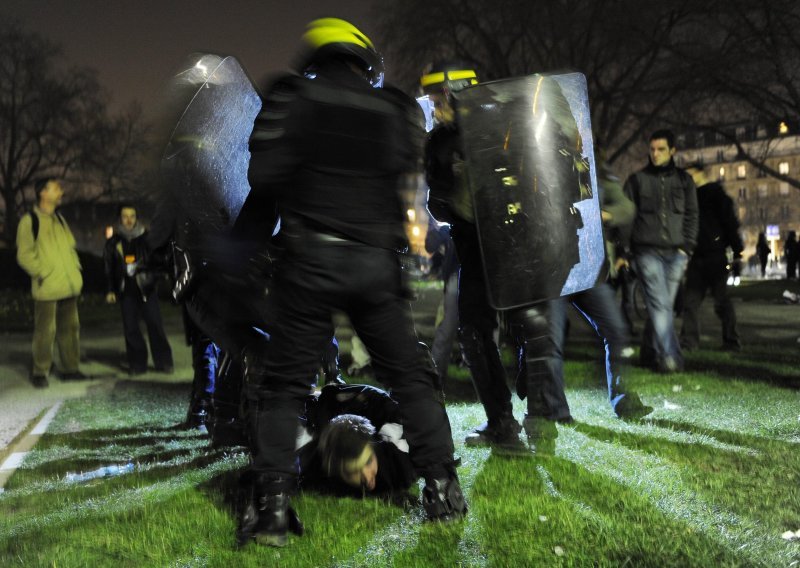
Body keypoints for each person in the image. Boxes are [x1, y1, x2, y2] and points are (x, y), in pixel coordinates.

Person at [235, 19, 466, 548]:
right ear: (364, 61)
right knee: (410, 377)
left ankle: (271, 510)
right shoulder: (397, 109)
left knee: (284, 386)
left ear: (315, 57)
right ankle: (443, 487)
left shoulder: (290, 98)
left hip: (308, 263)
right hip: (374, 266)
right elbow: (409, 195)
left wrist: (235, 251)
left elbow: (264, 184)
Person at [423, 62, 579, 450]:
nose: (434, 105)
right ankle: (529, 421)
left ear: (450, 93)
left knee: (482, 329)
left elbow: (441, 204)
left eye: (437, 97)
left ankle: (509, 424)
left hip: (495, 244)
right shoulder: (517, 118)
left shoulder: (457, 135)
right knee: (524, 325)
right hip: (518, 244)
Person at [551, 158, 653, 418]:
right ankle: (554, 410)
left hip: (586, 262)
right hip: (551, 262)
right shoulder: (538, 153)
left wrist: (603, 215)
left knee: (616, 331)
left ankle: (625, 403)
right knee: (549, 339)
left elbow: (626, 208)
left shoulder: (589, 161)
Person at [623, 129, 698, 373]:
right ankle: (671, 358)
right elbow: (626, 218)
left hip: (676, 253)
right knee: (661, 306)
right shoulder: (637, 181)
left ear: (672, 151)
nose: (655, 154)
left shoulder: (685, 181)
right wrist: (627, 251)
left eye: (661, 149)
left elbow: (692, 215)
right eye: (652, 149)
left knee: (661, 307)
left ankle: (648, 352)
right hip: (646, 251)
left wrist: (687, 248)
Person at [16, 177, 85, 388]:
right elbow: (24, 255)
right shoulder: (29, 221)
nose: (61, 191)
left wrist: (76, 270)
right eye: (56, 188)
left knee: (70, 329)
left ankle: (70, 369)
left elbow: (70, 249)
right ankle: (40, 371)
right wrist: (44, 272)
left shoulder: (60, 219)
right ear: (43, 193)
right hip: (47, 287)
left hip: (68, 285)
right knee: (45, 331)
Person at [104, 203, 174, 375]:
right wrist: (110, 290)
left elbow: (159, 263)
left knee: (155, 326)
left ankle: (164, 362)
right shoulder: (113, 242)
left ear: (137, 218)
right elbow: (108, 268)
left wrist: (149, 276)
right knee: (131, 329)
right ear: (120, 218)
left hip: (146, 290)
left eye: (132, 216)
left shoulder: (147, 238)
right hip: (126, 292)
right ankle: (137, 364)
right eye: (125, 216)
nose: (129, 220)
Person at [679, 163, 744, 351]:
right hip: (698, 256)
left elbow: (730, 224)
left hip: (715, 256)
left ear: (699, 174)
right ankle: (689, 342)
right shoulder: (690, 197)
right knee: (690, 302)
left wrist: (737, 250)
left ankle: (731, 340)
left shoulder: (716, 196)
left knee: (721, 301)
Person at [425, 220, 459, 384]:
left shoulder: (446, 229)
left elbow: (430, 245)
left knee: (447, 328)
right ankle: (436, 373)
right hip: (457, 278)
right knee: (448, 327)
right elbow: (432, 248)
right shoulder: (446, 229)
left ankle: (435, 373)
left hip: (458, 278)